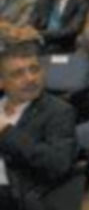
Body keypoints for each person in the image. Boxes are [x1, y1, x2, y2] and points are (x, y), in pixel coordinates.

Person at [0, 41, 78, 209]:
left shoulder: (58, 112)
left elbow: (58, 164)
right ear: (1, 82)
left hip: (18, 197)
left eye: (34, 69)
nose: (30, 78)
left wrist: (6, 131)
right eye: (18, 74)